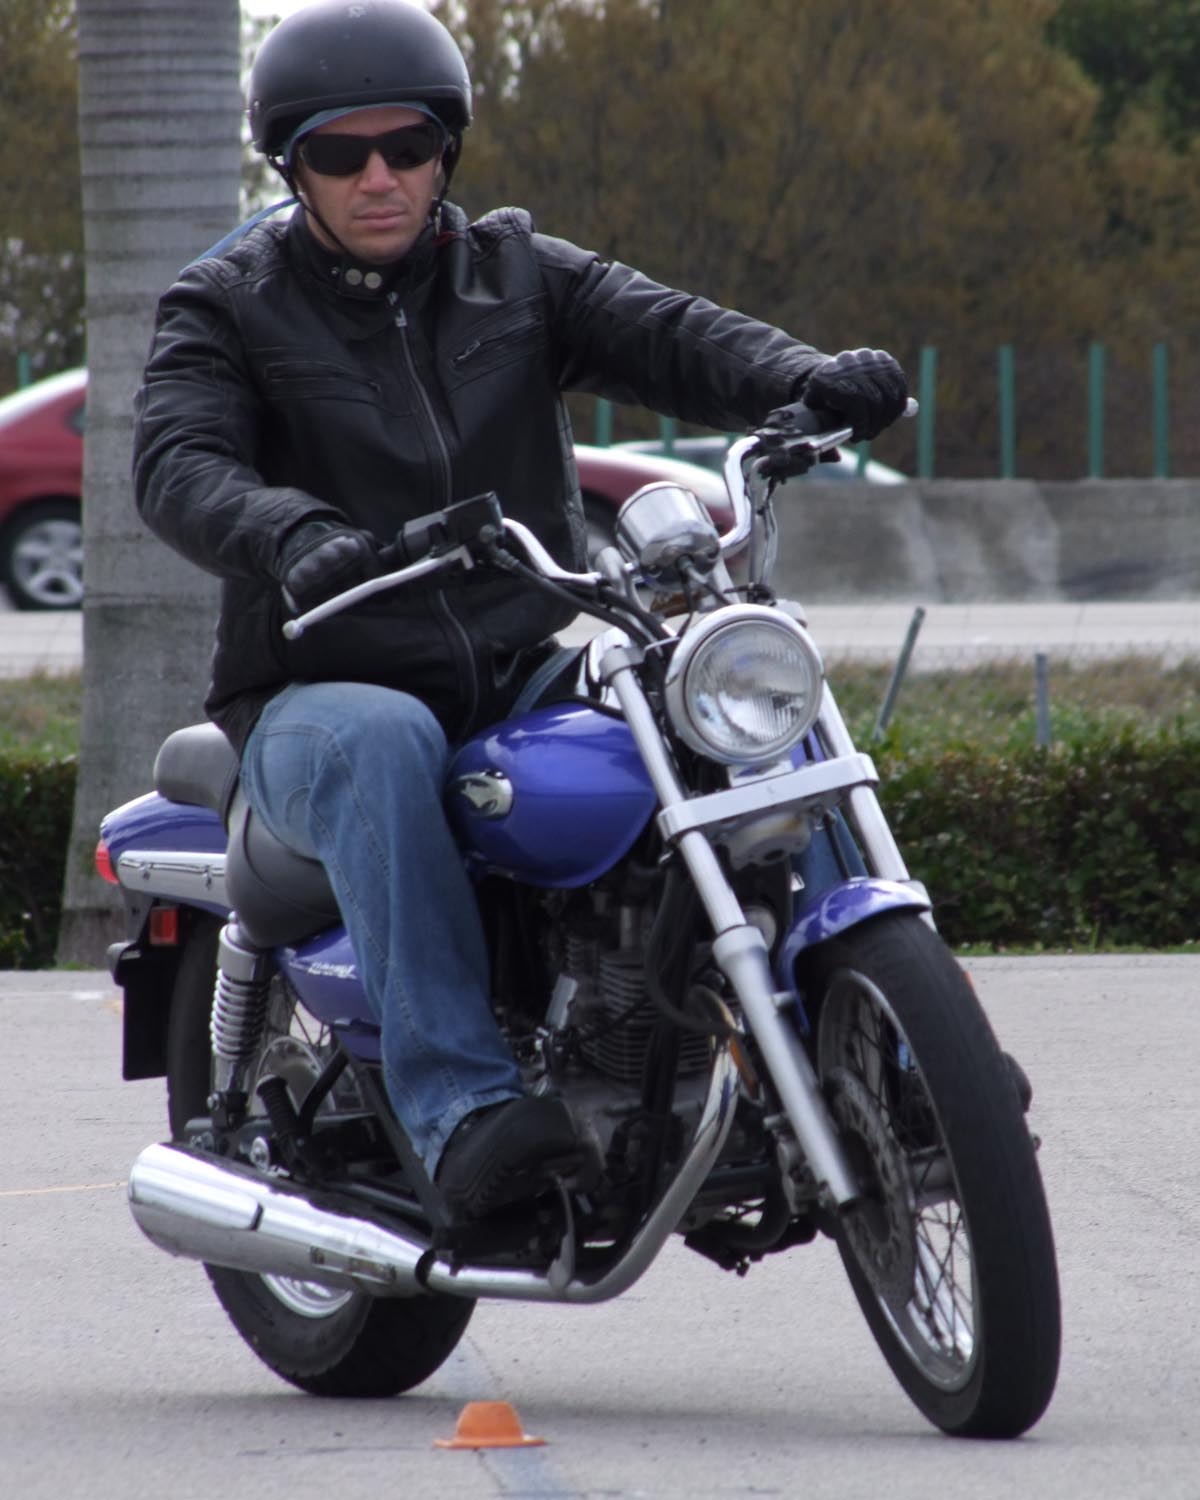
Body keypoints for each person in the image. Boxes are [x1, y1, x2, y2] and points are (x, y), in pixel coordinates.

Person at [133, 0, 908, 1224]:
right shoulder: (227, 304)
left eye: (408, 146)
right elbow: (179, 461)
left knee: (719, 686)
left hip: (515, 659)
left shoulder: (515, 271)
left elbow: (670, 332)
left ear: (446, 150)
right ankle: (465, 1114)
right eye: (342, 152)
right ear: (292, 164)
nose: (380, 176)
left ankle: (880, 1043)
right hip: (318, 686)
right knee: (385, 739)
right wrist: (293, 534)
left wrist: (805, 378)